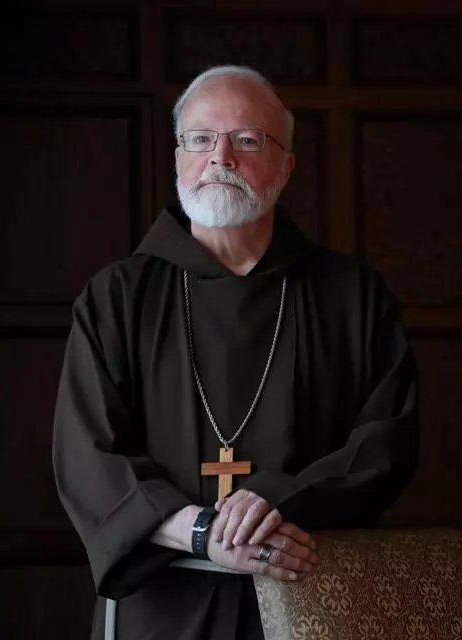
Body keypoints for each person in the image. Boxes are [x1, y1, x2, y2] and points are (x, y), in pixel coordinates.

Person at [52, 65, 419, 639]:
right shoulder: (117, 298)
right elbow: (89, 456)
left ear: (286, 165)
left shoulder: (351, 297)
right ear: (178, 158)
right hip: (161, 609)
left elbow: (386, 443)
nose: (220, 157)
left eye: (247, 140)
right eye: (200, 139)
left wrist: (279, 500)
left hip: (308, 597)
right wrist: (201, 532)